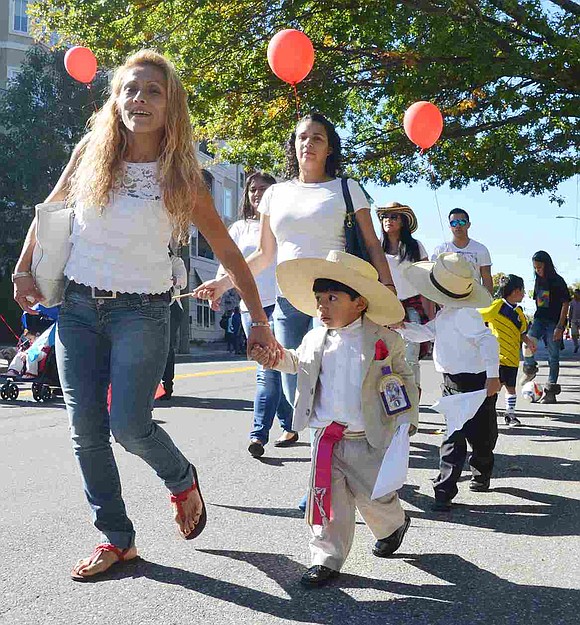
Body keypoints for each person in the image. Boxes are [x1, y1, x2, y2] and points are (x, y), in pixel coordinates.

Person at [11, 50, 279, 582]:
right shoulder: (92, 151)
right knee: (84, 431)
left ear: (170, 104)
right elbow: (51, 209)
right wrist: (23, 268)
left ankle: (180, 478)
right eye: (131, 89)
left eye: (153, 91)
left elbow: (228, 251)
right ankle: (116, 539)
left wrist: (260, 321)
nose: (140, 99)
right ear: (116, 98)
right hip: (80, 308)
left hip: (144, 311)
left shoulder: (181, 176)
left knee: (129, 425)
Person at [193, 113, 395, 416]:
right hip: (289, 298)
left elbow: (371, 245)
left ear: (329, 149)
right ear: (293, 145)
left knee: (331, 376)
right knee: (294, 387)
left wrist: (387, 291)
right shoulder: (275, 194)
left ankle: (335, 448)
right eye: (303, 137)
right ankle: (328, 439)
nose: (309, 143)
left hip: (335, 296)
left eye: (318, 138)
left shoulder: (347, 188)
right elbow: (263, 253)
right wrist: (222, 283)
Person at [251, 251, 418, 588]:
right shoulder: (315, 338)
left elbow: (404, 381)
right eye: (318, 299)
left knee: (375, 497)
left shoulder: (384, 340)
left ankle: (394, 524)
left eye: (332, 298)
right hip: (327, 437)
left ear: (359, 303)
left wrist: (406, 422)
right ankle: (325, 558)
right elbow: (297, 362)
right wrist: (275, 358)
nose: (322, 306)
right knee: (328, 500)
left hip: (367, 436)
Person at [402, 253, 500, 511]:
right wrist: (400, 327)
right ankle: (444, 490)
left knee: (482, 436)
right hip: (451, 384)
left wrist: (493, 376)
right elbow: (425, 332)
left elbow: (488, 341)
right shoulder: (447, 313)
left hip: (476, 384)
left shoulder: (465, 314)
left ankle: (481, 471)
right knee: (453, 437)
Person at [215, 172, 295, 456]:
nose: (257, 194)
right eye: (252, 190)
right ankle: (289, 423)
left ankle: (258, 435)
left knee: (270, 370)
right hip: (250, 307)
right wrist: (219, 289)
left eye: (263, 189)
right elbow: (229, 263)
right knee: (272, 369)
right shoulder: (239, 228)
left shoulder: (282, 223)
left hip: (282, 303)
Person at [377, 201, 432, 391]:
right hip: (383, 309)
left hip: (412, 307)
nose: (388, 220)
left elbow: (427, 282)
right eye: (385, 216)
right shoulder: (375, 248)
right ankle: (390, 398)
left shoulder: (416, 247)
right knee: (383, 357)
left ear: (403, 222)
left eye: (394, 216)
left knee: (411, 356)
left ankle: (412, 394)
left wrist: (431, 317)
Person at [479, 274, 537, 426]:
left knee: (511, 388)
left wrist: (529, 342)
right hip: (496, 358)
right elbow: (478, 317)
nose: (524, 293)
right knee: (493, 389)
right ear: (515, 291)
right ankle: (487, 416)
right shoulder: (496, 306)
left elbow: (522, 333)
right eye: (522, 290)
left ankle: (510, 415)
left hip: (512, 358)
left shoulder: (519, 313)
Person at [522, 251, 571, 403]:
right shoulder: (538, 281)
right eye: (535, 268)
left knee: (553, 357)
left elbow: (565, 303)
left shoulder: (558, 281)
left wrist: (560, 326)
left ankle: (550, 391)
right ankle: (530, 368)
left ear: (547, 266)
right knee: (527, 344)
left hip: (554, 323)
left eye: (540, 267)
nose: (538, 270)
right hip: (539, 319)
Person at [432, 208, 493, 294]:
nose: (458, 226)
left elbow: (487, 279)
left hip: (474, 301)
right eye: (453, 223)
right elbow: (434, 277)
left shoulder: (481, 249)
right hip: (448, 301)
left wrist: (487, 304)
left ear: (468, 224)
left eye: (462, 222)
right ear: (449, 226)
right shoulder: (440, 250)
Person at [160, 248, 188, 400]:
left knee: (166, 347)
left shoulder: (175, 261)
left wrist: (169, 279)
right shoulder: (148, 260)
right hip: (150, 307)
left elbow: (182, 282)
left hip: (172, 307)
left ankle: (167, 385)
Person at [568, 289, 580, 353]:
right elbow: (570, 312)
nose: (575, 295)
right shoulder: (572, 302)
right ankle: (576, 345)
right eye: (575, 293)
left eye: (577, 293)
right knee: (573, 334)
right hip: (574, 320)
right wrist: (569, 321)